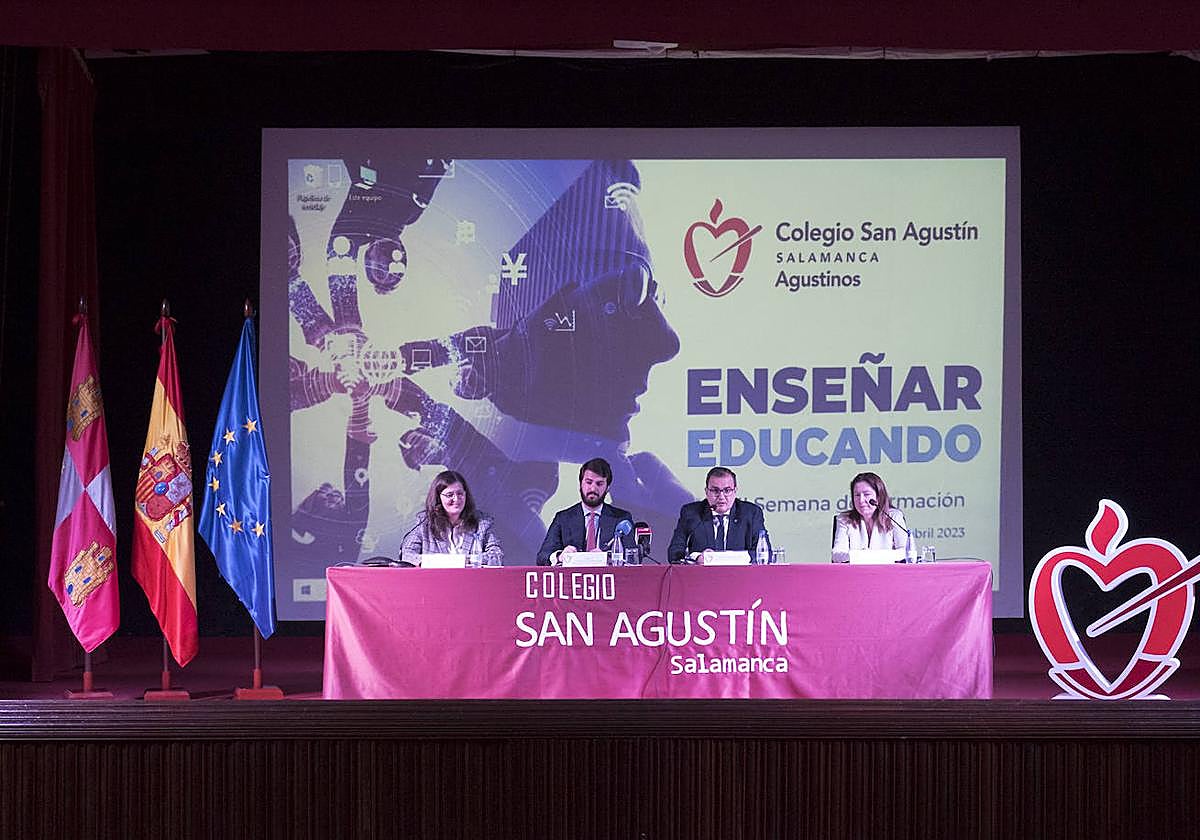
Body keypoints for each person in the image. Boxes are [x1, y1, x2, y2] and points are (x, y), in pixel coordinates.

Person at [536, 458, 633, 566]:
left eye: (599, 484)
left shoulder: (621, 518)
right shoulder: (563, 518)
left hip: (610, 580)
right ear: (580, 485)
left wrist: (608, 557)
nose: (593, 488)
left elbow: (632, 557)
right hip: (572, 580)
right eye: (588, 482)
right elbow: (542, 557)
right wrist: (560, 556)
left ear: (607, 488)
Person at [400, 470, 503, 566]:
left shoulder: (482, 523)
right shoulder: (424, 523)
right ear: (438, 498)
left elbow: (496, 556)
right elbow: (407, 555)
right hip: (435, 581)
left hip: (470, 582)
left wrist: (466, 560)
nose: (456, 499)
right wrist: (438, 562)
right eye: (450, 495)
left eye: (460, 494)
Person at [667, 467, 768, 564]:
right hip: (702, 578)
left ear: (735, 491)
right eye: (715, 490)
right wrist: (697, 558)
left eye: (727, 490)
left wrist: (728, 558)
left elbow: (763, 554)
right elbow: (674, 554)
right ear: (706, 492)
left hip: (741, 577)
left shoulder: (751, 513)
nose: (721, 496)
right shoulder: (691, 513)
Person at [832, 471, 908, 551]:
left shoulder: (894, 516)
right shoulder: (844, 519)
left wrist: (869, 556)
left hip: (885, 564)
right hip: (856, 563)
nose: (861, 500)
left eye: (867, 494)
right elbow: (837, 554)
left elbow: (905, 552)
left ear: (878, 496)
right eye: (857, 495)